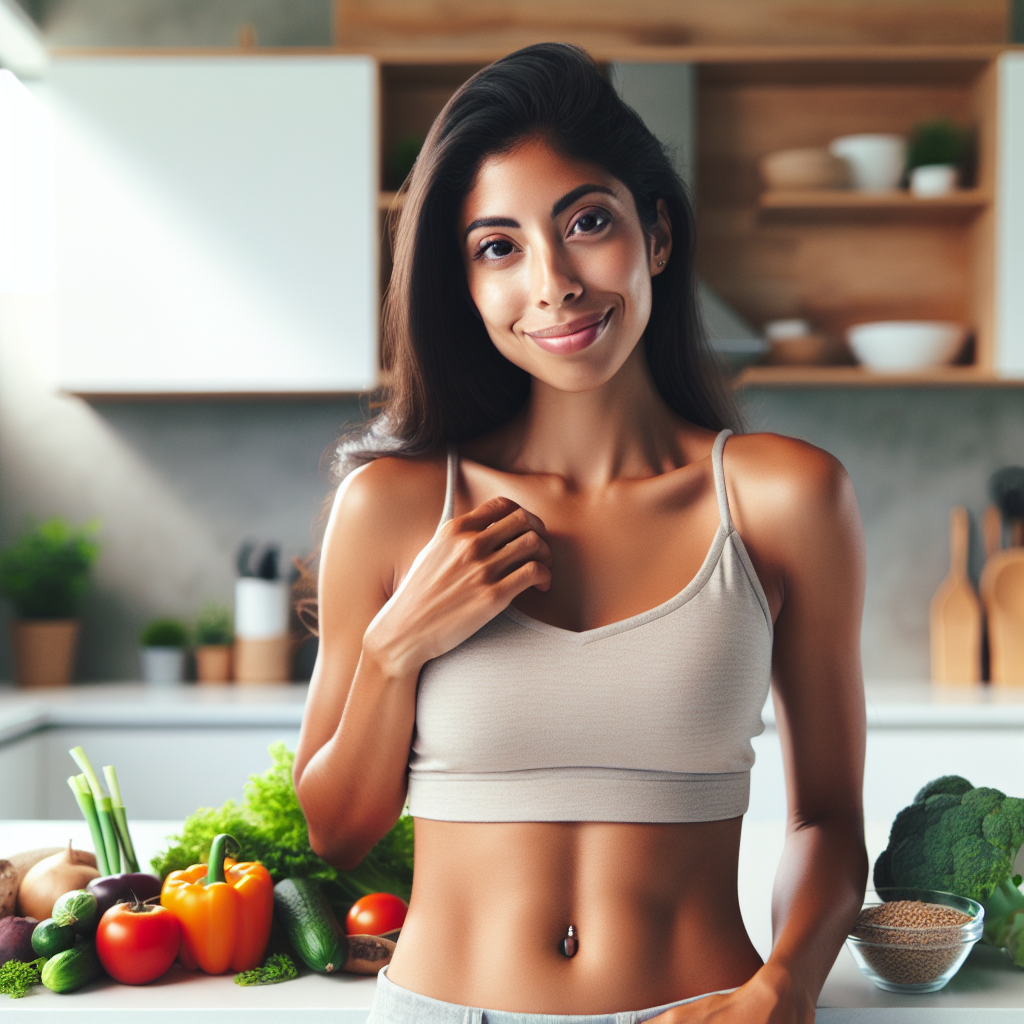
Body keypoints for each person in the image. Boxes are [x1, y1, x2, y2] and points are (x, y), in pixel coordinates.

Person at [294, 42, 867, 1024]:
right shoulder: (391, 505)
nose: (552, 282)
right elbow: (337, 833)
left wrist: (785, 986)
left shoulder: (783, 496)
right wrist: (396, 649)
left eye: (585, 223)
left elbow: (826, 819)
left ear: (655, 234)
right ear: (464, 284)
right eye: (498, 246)